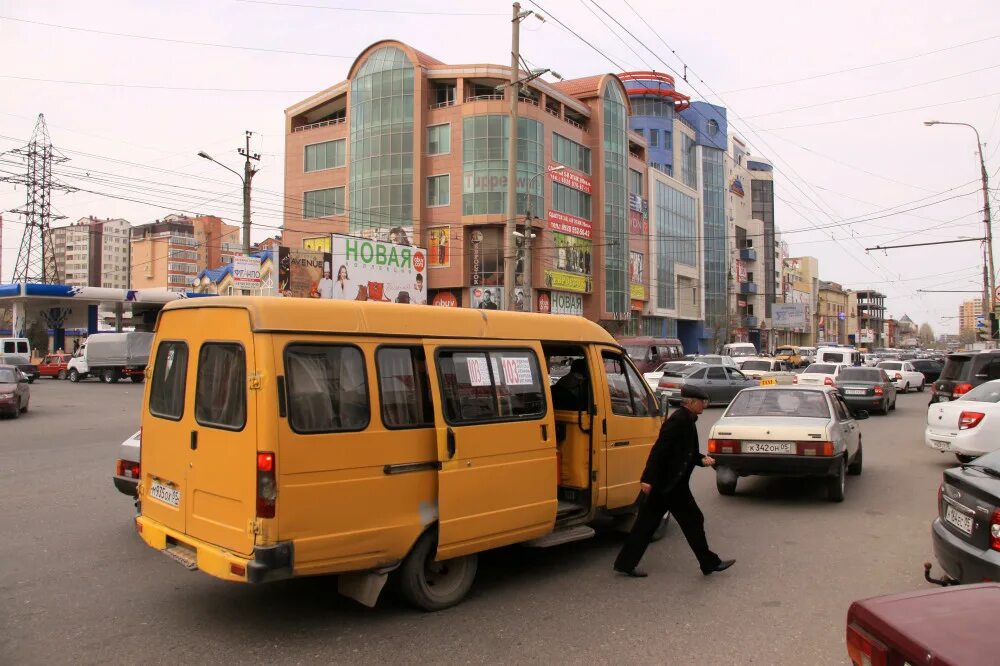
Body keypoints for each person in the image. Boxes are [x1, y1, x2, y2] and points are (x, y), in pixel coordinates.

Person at [613, 384, 735, 578]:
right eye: (702, 402)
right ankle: (709, 563)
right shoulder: (678, 420)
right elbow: (659, 450)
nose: (704, 405)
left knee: (646, 524)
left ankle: (625, 563)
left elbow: (685, 452)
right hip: (670, 485)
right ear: (692, 402)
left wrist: (702, 459)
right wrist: (647, 478)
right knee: (693, 520)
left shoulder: (687, 419)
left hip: (668, 484)